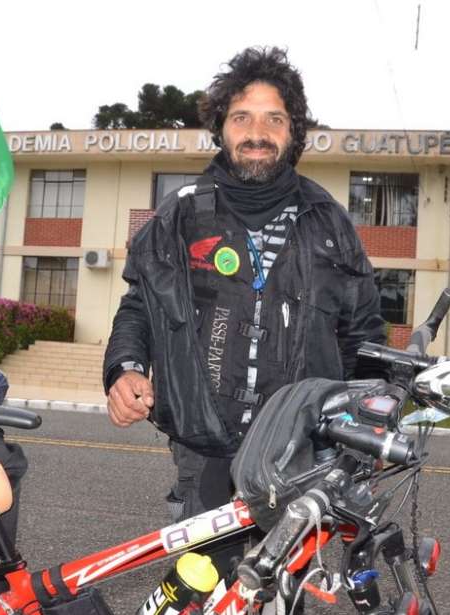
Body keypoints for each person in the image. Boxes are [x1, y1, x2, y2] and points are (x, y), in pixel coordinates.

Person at [103, 46, 386, 571]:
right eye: (242, 118)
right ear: (223, 129)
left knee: (283, 587)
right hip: (204, 441)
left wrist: (367, 421)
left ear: (293, 132)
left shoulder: (329, 221)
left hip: (300, 449)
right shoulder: (183, 212)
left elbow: (363, 335)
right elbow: (140, 304)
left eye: (273, 118)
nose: (257, 131)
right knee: (205, 584)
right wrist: (123, 370)